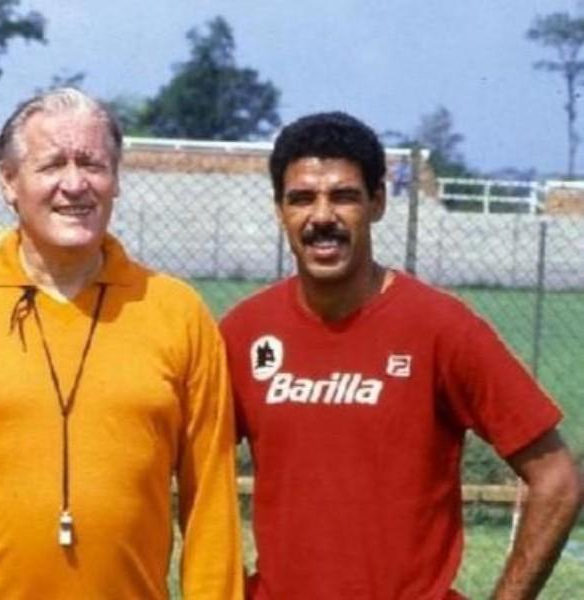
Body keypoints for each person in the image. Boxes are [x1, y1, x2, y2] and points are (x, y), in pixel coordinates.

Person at [0, 88, 243, 599]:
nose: (75, 184)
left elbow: (210, 503)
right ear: (8, 182)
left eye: (92, 164)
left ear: (117, 179)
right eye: (52, 164)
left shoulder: (178, 313)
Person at [220, 111, 582, 599]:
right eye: (301, 198)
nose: (322, 216)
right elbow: (185, 471)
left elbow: (556, 480)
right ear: (280, 209)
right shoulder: (244, 332)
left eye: (344, 196)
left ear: (377, 202)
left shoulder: (441, 328)